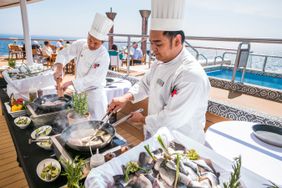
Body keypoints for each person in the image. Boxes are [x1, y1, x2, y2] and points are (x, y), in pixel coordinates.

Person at [108, 0, 211, 144]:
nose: (153, 49)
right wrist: (125, 98)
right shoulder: (159, 62)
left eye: (158, 44)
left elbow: (172, 118)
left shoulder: (190, 75)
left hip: (180, 143)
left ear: (177, 40)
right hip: (156, 133)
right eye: (151, 43)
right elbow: (145, 84)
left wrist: (142, 119)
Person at [53, 13, 114, 120]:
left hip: (95, 96)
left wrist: (70, 82)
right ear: (87, 34)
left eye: (96, 43)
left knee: (98, 124)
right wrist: (59, 67)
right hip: (80, 93)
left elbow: (93, 78)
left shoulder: (103, 55)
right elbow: (64, 53)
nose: (91, 45)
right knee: (81, 123)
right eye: (90, 40)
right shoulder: (80, 44)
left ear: (102, 42)